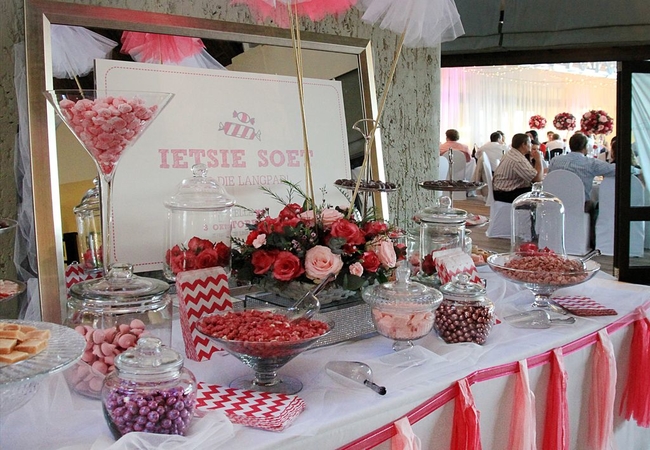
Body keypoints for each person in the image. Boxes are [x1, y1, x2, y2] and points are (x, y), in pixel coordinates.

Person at [547, 132, 615, 205]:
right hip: (580, 205)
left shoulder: (555, 160)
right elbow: (615, 170)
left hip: (556, 204)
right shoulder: (591, 163)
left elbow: (549, 178)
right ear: (585, 147)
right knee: (595, 203)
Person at [492, 133, 544, 203]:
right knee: (539, 192)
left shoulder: (512, 153)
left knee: (536, 190)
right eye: (529, 143)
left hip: (502, 190)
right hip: (505, 194)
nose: (531, 145)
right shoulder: (517, 159)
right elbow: (537, 179)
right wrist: (539, 159)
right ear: (523, 145)